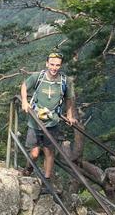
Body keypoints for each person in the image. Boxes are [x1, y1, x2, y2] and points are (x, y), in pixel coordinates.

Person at [20, 52, 77, 181]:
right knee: (34, 153)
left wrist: (69, 115)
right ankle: (29, 168)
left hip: (52, 122)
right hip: (35, 120)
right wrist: (24, 101)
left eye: (57, 65)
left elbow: (69, 98)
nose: (54, 67)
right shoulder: (38, 76)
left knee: (49, 152)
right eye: (52, 64)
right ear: (47, 64)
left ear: (61, 66)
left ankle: (46, 180)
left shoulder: (65, 81)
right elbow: (24, 86)